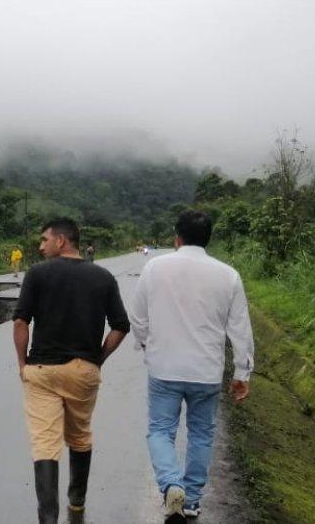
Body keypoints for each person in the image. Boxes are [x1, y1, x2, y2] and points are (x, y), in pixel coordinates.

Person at [128, 210, 254, 522]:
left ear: (177, 238)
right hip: (206, 372)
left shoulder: (155, 268)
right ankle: (192, 499)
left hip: (164, 368)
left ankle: (171, 484)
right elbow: (240, 329)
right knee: (201, 434)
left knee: (160, 430)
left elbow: (138, 317)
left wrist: (146, 345)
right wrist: (242, 373)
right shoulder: (228, 275)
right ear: (208, 238)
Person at [13, 218, 130, 523]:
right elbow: (121, 326)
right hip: (83, 371)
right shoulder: (103, 277)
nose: (41, 246)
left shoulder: (37, 273)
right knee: (79, 436)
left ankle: (49, 517)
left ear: (61, 240)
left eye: (44, 240)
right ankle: (77, 502)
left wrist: (22, 364)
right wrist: (97, 360)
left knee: (44, 443)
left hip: (42, 370)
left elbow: (21, 321)